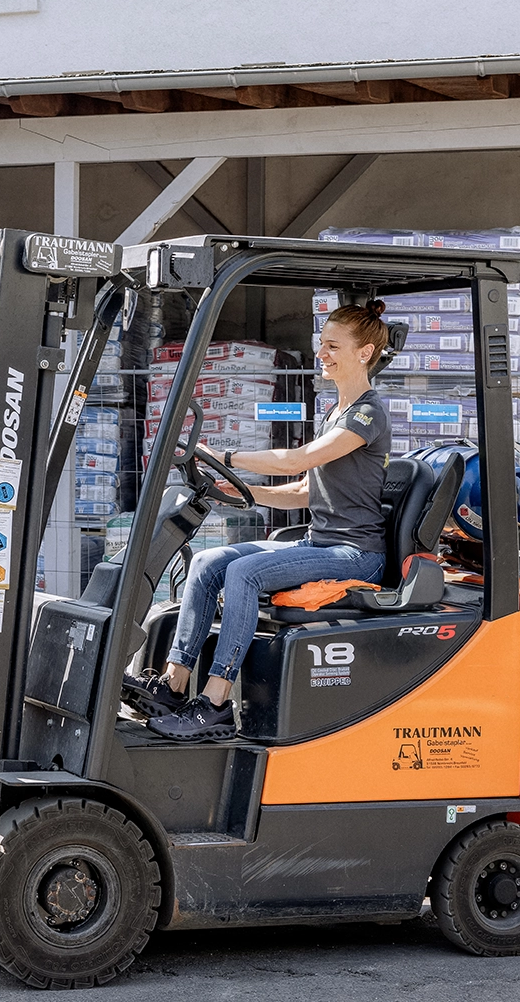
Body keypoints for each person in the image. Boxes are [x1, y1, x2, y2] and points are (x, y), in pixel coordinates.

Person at [128, 301, 394, 742]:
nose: (322, 353)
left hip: (354, 554)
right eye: (322, 343)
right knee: (207, 563)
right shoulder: (336, 412)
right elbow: (305, 490)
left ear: (364, 353)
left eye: (332, 346)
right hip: (319, 542)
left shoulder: (368, 414)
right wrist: (240, 492)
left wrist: (225, 455)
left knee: (244, 573)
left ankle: (214, 704)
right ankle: (173, 685)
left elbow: (297, 460)